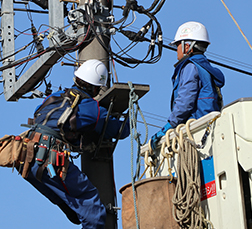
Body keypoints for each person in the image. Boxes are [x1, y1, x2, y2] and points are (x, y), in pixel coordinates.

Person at [20, 59, 130, 229]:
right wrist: (131, 117)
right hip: (49, 159)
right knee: (91, 203)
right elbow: (119, 130)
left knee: (71, 205)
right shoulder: (91, 108)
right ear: (95, 88)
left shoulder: (54, 96)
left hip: (27, 157)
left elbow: (38, 114)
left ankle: (76, 213)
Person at [151, 21, 225, 149]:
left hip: (197, 129)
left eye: (178, 45)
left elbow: (185, 102)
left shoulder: (190, 67)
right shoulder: (205, 67)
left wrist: (168, 127)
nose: (177, 50)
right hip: (209, 128)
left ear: (187, 46)